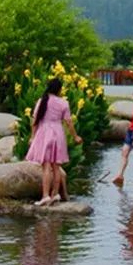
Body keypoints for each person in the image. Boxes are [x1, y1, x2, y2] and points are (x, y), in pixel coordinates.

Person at [27, 77, 82, 206]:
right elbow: (68, 122)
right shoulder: (64, 103)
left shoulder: (42, 101)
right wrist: (75, 136)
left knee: (46, 166)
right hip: (58, 133)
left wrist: (32, 137)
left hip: (44, 133)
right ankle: (55, 194)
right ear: (59, 89)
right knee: (56, 166)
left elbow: (35, 121)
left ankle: (45, 196)